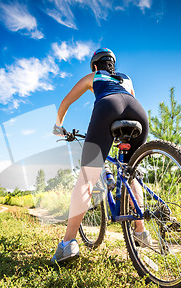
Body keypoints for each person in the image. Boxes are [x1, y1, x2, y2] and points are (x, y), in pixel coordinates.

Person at [51, 48, 151, 264]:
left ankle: (68, 244)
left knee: (87, 178)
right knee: (131, 173)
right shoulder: (127, 78)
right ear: (113, 65)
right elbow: (128, 101)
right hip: (138, 112)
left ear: (95, 66)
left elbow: (66, 102)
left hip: (108, 106)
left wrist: (59, 126)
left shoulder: (93, 77)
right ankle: (141, 231)